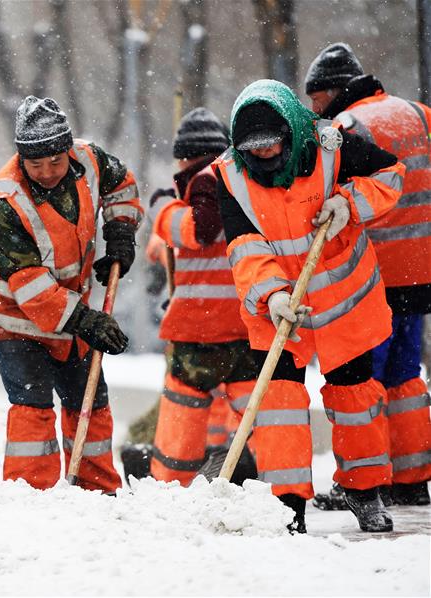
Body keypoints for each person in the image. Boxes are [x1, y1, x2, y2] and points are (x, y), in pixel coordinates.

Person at [213, 79, 405, 533]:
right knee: (278, 403)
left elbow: (391, 174)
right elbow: (244, 246)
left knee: (355, 399)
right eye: (252, 149)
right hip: (279, 307)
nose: (262, 156)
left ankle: (364, 492)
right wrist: (273, 294)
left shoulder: (331, 144)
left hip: (345, 303)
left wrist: (348, 203)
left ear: (291, 132)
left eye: (271, 145)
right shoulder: (230, 174)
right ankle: (287, 507)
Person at [0, 95, 142, 493]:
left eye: (56, 161)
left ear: (68, 149)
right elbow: (30, 285)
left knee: (89, 399)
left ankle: (97, 489)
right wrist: (87, 321)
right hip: (15, 319)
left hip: (69, 306)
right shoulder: (3, 202)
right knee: (32, 407)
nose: (48, 172)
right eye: (36, 165)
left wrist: (120, 233)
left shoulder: (89, 160)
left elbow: (122, 186)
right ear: (21, 160)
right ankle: (30, 495)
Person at [304, 42, 431, 508]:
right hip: (423, 272)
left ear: (332, 92)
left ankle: (366, 483)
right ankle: (413, 478)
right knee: (405, 374)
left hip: (372, 276)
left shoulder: (345, 128)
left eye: (315, 101)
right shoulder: (420, 114)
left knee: (364, 380)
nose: (314, 110)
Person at [124, 108, 260, 487]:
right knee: (256, 411)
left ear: (186, 156)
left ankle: (171, 484)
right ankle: (270, 483)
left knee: (183, 409)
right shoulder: (242, 179)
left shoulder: (205, 179)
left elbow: (200, 230)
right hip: (245, 322)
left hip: (202, 325)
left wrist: (161, 207)